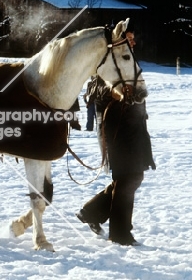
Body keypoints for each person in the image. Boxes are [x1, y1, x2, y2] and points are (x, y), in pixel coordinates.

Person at [76, 29, 156, 246]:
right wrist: (111, 92)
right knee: (128, 178)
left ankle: (91, 213)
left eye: (132, 38)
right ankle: (120, 233)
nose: (131, 42)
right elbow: (91, 94)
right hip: (115, 130)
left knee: (130, 178)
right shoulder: (107, 62)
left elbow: (139, 92)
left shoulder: (130, 62)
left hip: (135, 129)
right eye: (127, 39)